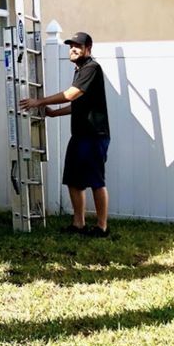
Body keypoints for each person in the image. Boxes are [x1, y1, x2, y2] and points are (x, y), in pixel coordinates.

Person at [20, 31, 110, 237]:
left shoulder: (91, 68)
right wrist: (54, 114)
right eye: (71, 46)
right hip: (80, 135)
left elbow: (71, 95)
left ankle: (101, 227)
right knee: (73, 179)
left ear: (88, 49)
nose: (73, 49)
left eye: (78, 46)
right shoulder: (80, 71)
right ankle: (78, 223)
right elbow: (76, 104)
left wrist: (39, 101)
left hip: (95, 134)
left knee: (96, 181)